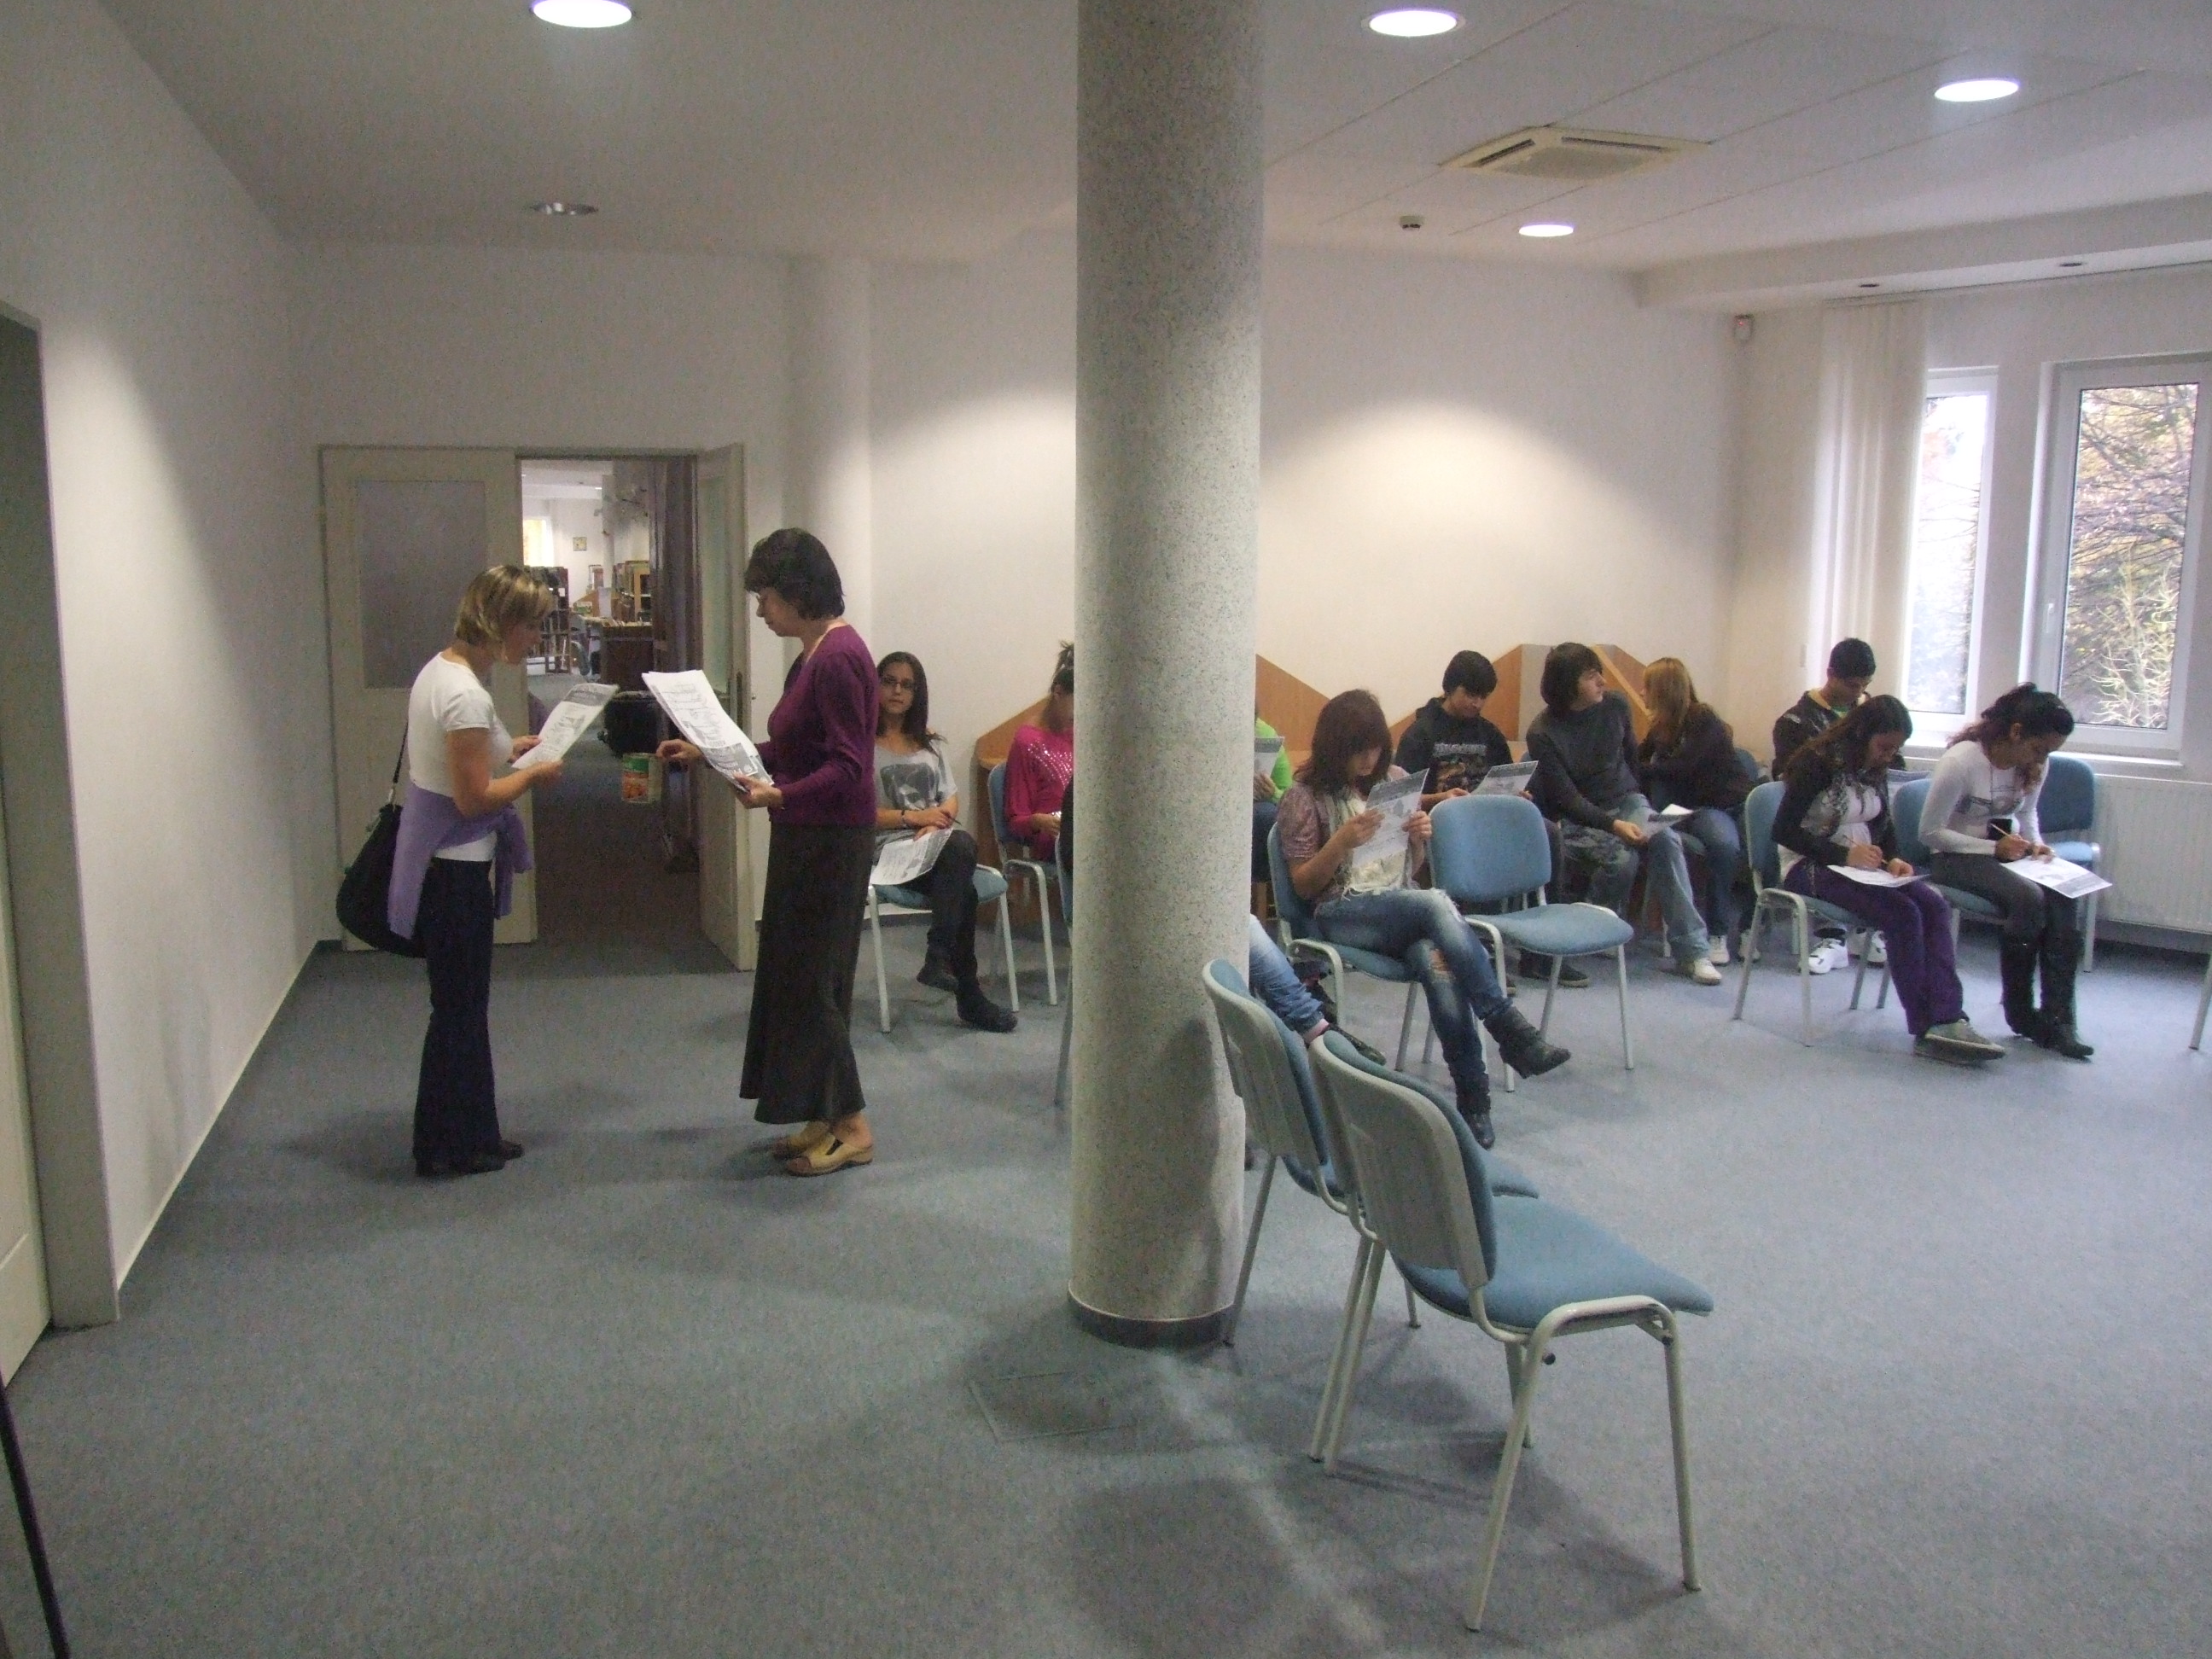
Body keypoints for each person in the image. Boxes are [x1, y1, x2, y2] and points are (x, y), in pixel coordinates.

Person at [658, 529, 881, 1176]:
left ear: (798, 593)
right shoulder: (811, 656)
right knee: (794, 975)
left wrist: (779, 795)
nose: (760, 611)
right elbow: (793, 748)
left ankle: (854, 1125)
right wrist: (708, 752)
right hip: (806, 835)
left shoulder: (840, 658)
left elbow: (849, 767)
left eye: (767, 598)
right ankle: (825, 1113)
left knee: (814, 982)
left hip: (830, 842)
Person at [1278, 690, 1567, 1149]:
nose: (1370, 760)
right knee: (1435, 903)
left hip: (1396, 904)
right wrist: (1341, 843)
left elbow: (1410, 870)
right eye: (1359, 750)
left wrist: (1417, 840)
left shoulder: (1394, 781)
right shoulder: (1304, 796)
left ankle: (1474, 1098)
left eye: (1376, 748)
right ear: (1335, 748)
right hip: (1339, 910)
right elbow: (1303, 887)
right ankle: (1507, 1025)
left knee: (1438, 962)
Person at [388, 566, 564, 1179]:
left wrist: (511, 749)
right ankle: (449, 1144)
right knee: (460, 1011)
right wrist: (534, 776)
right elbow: (474, 799)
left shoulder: (442, 672)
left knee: (459, 1009)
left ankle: (468, 1134)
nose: (535, 639)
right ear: (502, 622)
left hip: (442, 866)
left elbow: (466, 761)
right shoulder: (465, 694)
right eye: (531, 626)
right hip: (454, 873)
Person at [1773, 696, 2004, 1063]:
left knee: (1933, 904)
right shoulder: (1815, 763)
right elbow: (1783, 831)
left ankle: (1949, 1016)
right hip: (1808, 864)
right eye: (1883, 747)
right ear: (1861, 735)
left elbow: (1882, 823)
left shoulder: (1875, 766)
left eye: (1895, 749)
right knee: (1902, 913)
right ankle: (1926, 1025)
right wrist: (1842, 855)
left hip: (1860, 864)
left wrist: (1894, 858)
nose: (1888, 756)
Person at [1525, 643, 1720, 984]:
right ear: (1568, 685)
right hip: (1581, 817)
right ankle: (1594, 921)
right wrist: (1614, 825)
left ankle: (1693, 952)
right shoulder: (1542, 732)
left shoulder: (1615, 705)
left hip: (1627, 801)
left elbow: (1633, 762)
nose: (1602, 681)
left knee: (1666, 841)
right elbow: (1567, 799)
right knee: (1622, 859)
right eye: (1591, 676)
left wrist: (1638, 806)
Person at [1920, 684, 2089, 1059]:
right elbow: (1929, 833)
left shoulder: (2035, 763)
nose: (2043, 759)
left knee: (2064, 892)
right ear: (2015, 732)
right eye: (2039, 749)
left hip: (2003, 852)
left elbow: (2026, 814)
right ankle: (2020, 1011)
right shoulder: (1961, 762)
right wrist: (1992, 849)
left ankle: (2060, 1019)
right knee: (2028, 898)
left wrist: (2037, 845)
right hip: (1954, 855)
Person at [872, 650, 1016, 1033]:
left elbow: (950, 800)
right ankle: (961, 986)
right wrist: (914, 818)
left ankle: (941, 960)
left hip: (934, 848)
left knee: (958, 859)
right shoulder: (861, 745)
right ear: (875, 685)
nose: (897, 691)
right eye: (889, 681)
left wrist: (937, 822)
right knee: (963, 877)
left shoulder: (931, 745)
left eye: (907, 685)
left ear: (917, 693)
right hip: (889, 852)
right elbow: (857, 814)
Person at [1638, 657, 1752, 965]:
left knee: (1736, 848)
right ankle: (1717, 931)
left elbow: (1685, 767)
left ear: (1664, 690)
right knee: (1724, 846)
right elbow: (1640, 760)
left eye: (1647, 687)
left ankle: (1728, 932)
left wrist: (1643, 769)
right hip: (1697, 808)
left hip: (1728, 804)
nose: (1642, 693)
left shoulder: (1703, 719)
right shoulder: (1660, 728)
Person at [1395, 650, 1513, 806]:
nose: (1477, 704)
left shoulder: (1491, 734)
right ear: (1450, 688)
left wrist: (1515, 795)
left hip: (1485, 813)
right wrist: (1440, 798)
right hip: (1437, 817)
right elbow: (1401, 800)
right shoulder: (1419, 735)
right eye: (1471, 695)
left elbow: (1508, 780)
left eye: (1483, 697)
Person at [1004, 643, 1074, 861]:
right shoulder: (1028, 742)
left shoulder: (1081, 736)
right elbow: (1016, 820)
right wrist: (1038, 821)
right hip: (1057, 843)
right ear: (1058, 693)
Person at [1773, 637, 1877, 775]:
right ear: (1830, 674)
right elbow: (1788, 778)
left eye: (1865, 685)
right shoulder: (1793, 723)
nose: (1859, 692)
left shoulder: (1871, 712)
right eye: (1852, 685)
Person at [1252, 711, 1294, 886]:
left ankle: (1267, 885)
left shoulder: (1266, 734)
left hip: (1257, 811)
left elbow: (1291, 797)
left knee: (1267, 814)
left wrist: (1273, 793)